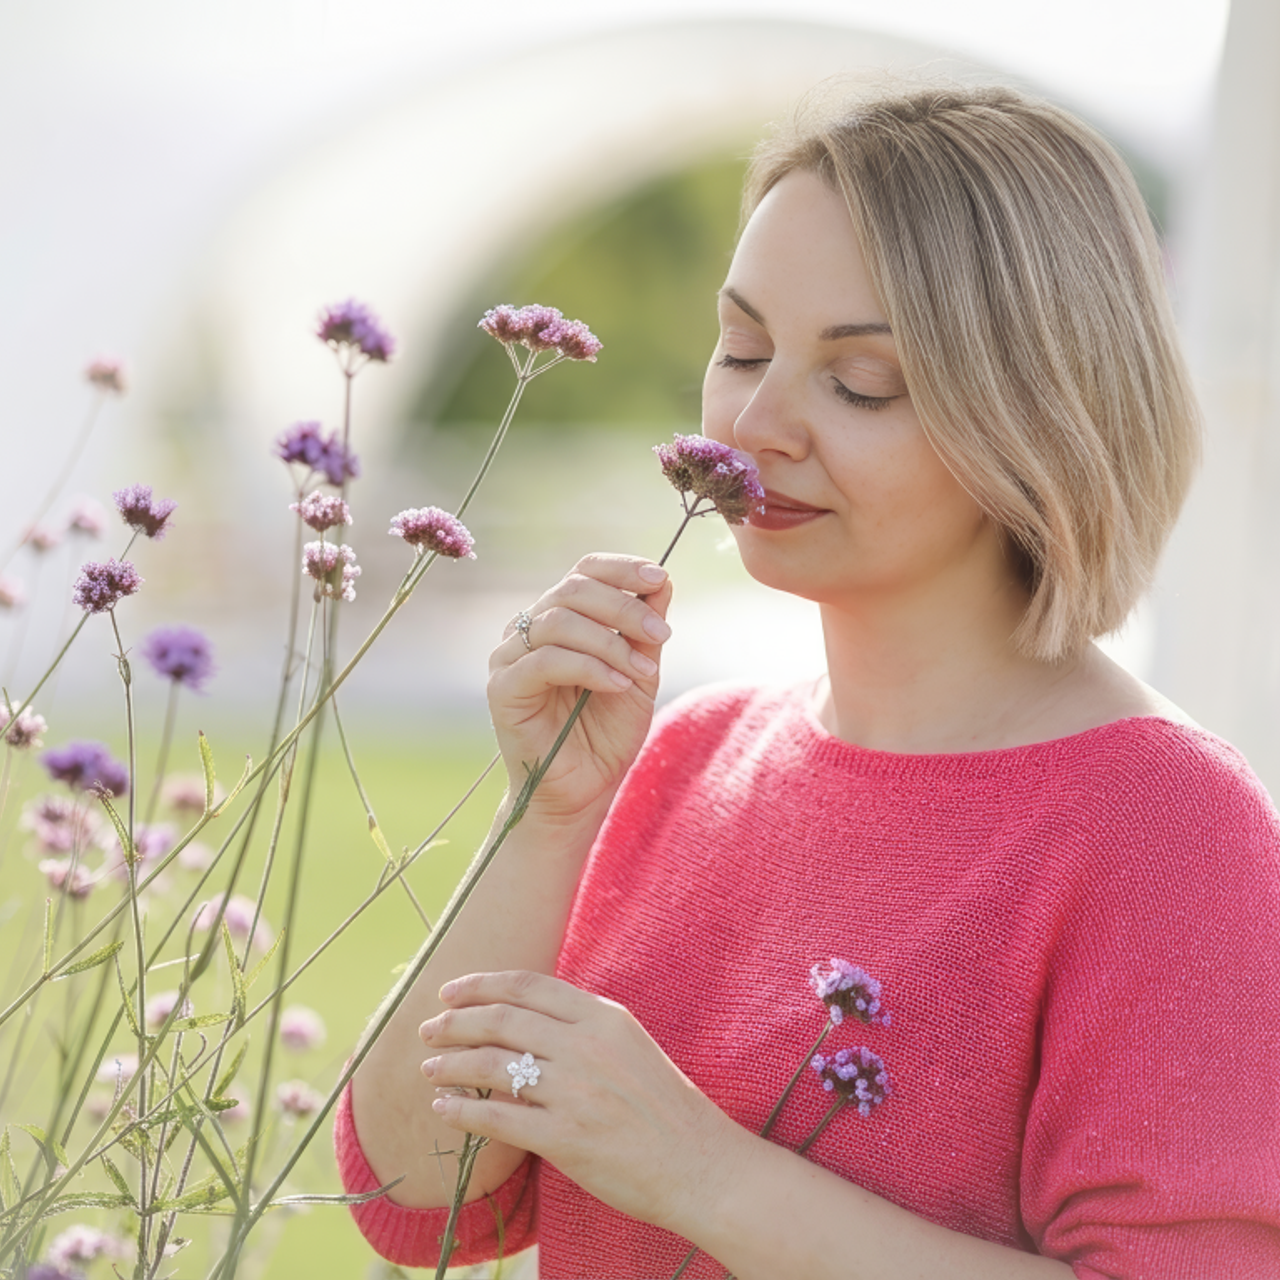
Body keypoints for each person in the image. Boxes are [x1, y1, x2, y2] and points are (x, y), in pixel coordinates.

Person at [336, 81, 1280, 1279]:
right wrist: (546, 811)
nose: (755, 420)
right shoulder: (687, 754)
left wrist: (697, 1171)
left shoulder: (1165, 824)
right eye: (740, 348)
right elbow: (413, 1196)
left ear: (1038, 415)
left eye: (859, 382)